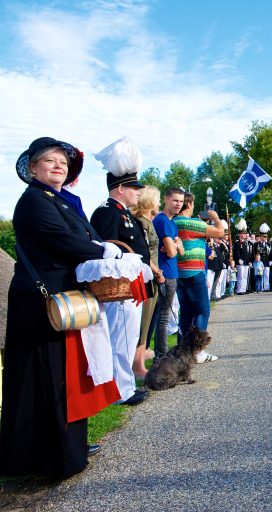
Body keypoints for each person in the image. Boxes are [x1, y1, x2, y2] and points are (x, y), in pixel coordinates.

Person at [1, 137, 122, 478]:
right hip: (41, 302)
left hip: (63, 296)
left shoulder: (59, 200)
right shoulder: (34, 201)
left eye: (63, 163)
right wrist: (103, 252)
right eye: (51, 161)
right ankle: (47, 458)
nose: (58, 166)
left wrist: (100, 247)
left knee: (66, 377)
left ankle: (69, 447)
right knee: (47, 377)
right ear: (34, 167)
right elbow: (64, 241)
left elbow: (85, 235)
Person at [90, 138, 151, 406]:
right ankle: (120, 391)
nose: (138, 192)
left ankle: (123, 387)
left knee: (127, 338)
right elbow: (103, 250)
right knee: (120, 339)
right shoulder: (107, 212)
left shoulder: (124, 213)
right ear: (120, 188)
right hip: (118, 289)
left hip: (130, 286)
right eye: (134, 187)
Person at [174, 192, 226, 361]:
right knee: (203, 310)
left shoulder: (174, 221)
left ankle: (184, 349)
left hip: (179, 273)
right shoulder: (190, 223)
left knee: (187, 312)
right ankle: (198, 351)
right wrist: (216, 217)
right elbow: (220, 232)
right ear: (189, 204)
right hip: (194, 272)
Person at [130, 185, 164, 378]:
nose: (158, 203)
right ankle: (138, 366)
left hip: (151, 276)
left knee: (148, 321)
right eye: (157, 199)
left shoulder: (147, 222)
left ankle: (140, 361)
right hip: (147, 276)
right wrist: (157, 270)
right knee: (142, 323)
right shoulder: (142, 223)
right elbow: (143, 252)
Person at [151, 187, 184, 360]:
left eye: (181, 201)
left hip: (171, 273)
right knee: (162, 317)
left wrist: (175, 244)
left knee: (160, 316)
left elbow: (181, 251)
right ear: (166, 199)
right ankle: (161, 356)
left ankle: (158, 354)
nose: (178, 204)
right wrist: (175, 245)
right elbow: (171, 252)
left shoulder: (172, 222)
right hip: (165, 273)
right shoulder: (163, 221)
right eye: (175, 200)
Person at [233, 230, 252, 295]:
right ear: (240, 234)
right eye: (243, 234)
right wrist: (238, 259)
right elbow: (236, 252)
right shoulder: (237, 242)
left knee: (244, 276)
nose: (244, 235)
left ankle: (243, 289)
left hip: (246, 262)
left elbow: (247, 253)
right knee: (240, 276)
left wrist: (249, 261)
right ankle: (239, 290)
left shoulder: (245, 243)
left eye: (245, 234)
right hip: (240, 262)